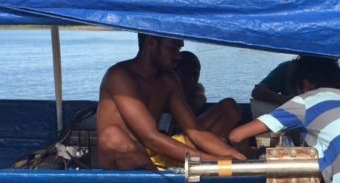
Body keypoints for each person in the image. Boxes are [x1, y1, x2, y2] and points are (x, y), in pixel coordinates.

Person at [96, 33, 245, 170]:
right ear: (151, 43)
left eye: (179, 49)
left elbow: (194, 131)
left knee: (227, 114)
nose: (178, 56)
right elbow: (150, 137)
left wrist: (237, 158)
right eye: (173, 48)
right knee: (113, 136)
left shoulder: (168, 79)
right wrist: (213, 161)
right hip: (130, 158)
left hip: (157, 154)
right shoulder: (119, 76)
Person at [170, 50, 241, 137]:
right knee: (228, 105)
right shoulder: (166, 91)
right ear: (175, 73)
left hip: (187, 135)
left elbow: (199, 95)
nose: (193, 78)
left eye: (196, 74)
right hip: (174, 137)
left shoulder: (195, 92)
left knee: (230, 109)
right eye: (186, 73)